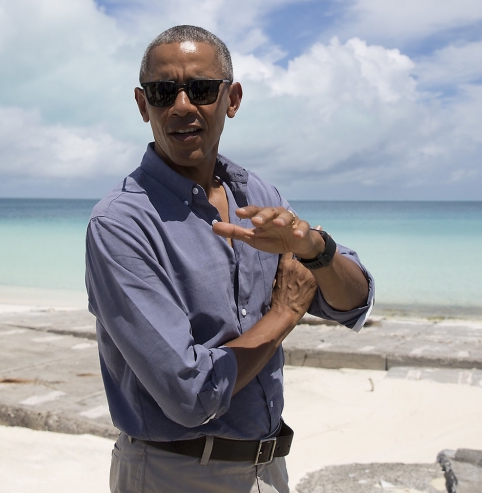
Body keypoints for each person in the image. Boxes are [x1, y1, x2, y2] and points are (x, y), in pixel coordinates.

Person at [85, 25, 374, 493]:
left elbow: (353, 302)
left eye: (200, 89)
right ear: (144, 105)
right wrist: (282, 314)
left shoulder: (257, 194)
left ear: (231, 99)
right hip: (172, 473)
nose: (182, 106)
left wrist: (316, 252)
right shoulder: (121, 224)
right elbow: (189, 392)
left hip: (268, 469)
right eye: (163, 92)